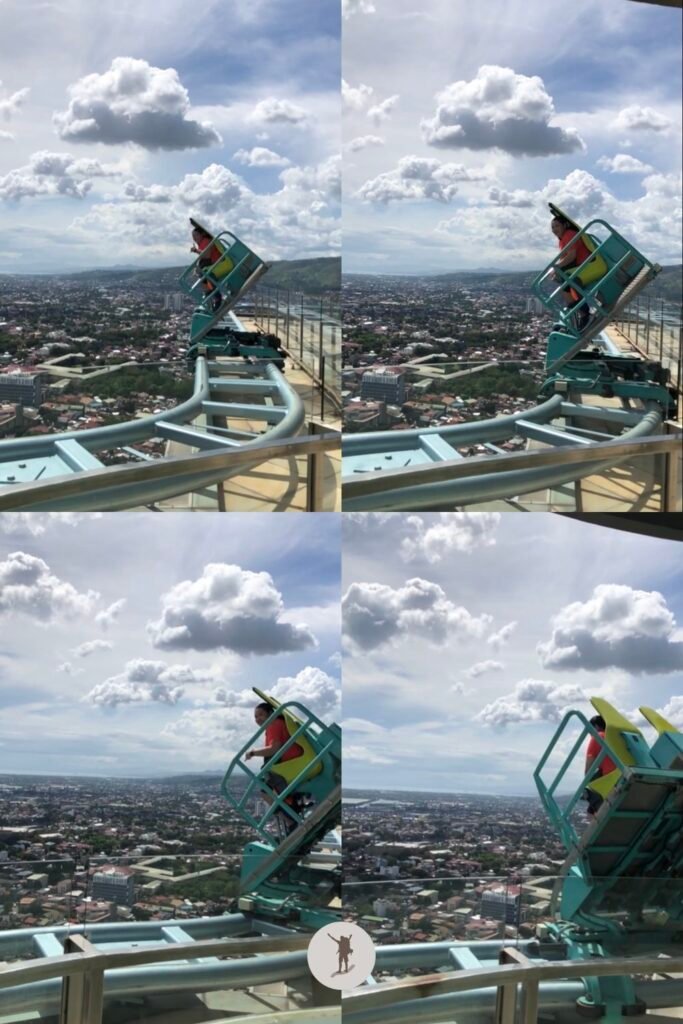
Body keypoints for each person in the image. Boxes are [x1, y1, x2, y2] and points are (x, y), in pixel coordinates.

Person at [245, 702, 305, 836]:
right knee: (269, 787)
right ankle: (292, 811)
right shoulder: (278, 723)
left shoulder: (273, 724)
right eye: (255, 717)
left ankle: (291, 821)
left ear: (270, 713)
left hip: (288, 765)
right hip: (291, 762)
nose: (258, 719)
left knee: (265, 792)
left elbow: (274, 749)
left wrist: (253, 752)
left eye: (261, 714)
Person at [550, 215, 593, 332]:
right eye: (552, 227)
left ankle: (585, 314)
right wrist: (556, 269)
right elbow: (565, 257)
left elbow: (571, 256)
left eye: (557, 226)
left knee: (564, 288)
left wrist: (557, 267)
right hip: (580, 266)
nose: (554, 229)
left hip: (585, 266)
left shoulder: (569, 235)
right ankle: (579, 313)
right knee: (564, 288)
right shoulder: (564, 238)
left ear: (565, 225)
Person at [584, 714, 616, 817]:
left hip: (609, 782)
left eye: (590, 729)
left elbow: (587, 771)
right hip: (619, 777)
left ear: (596, 726)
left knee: (587, 792)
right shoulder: (612, 737)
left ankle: (598, 817)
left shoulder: (597, 737)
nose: (589, 733)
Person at [190, 224, 224, 313]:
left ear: (202, 234)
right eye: (193, 236)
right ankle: (209, 291)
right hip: (212, 262)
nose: (194, 238)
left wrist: (196, 250)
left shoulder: (206, 241)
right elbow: (202, 257)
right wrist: (196, 267)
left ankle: (217, 297)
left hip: (216, 261)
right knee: (202, 274)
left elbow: (206, 255)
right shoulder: (201, 243)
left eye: (196, 235)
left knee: (205, 274)